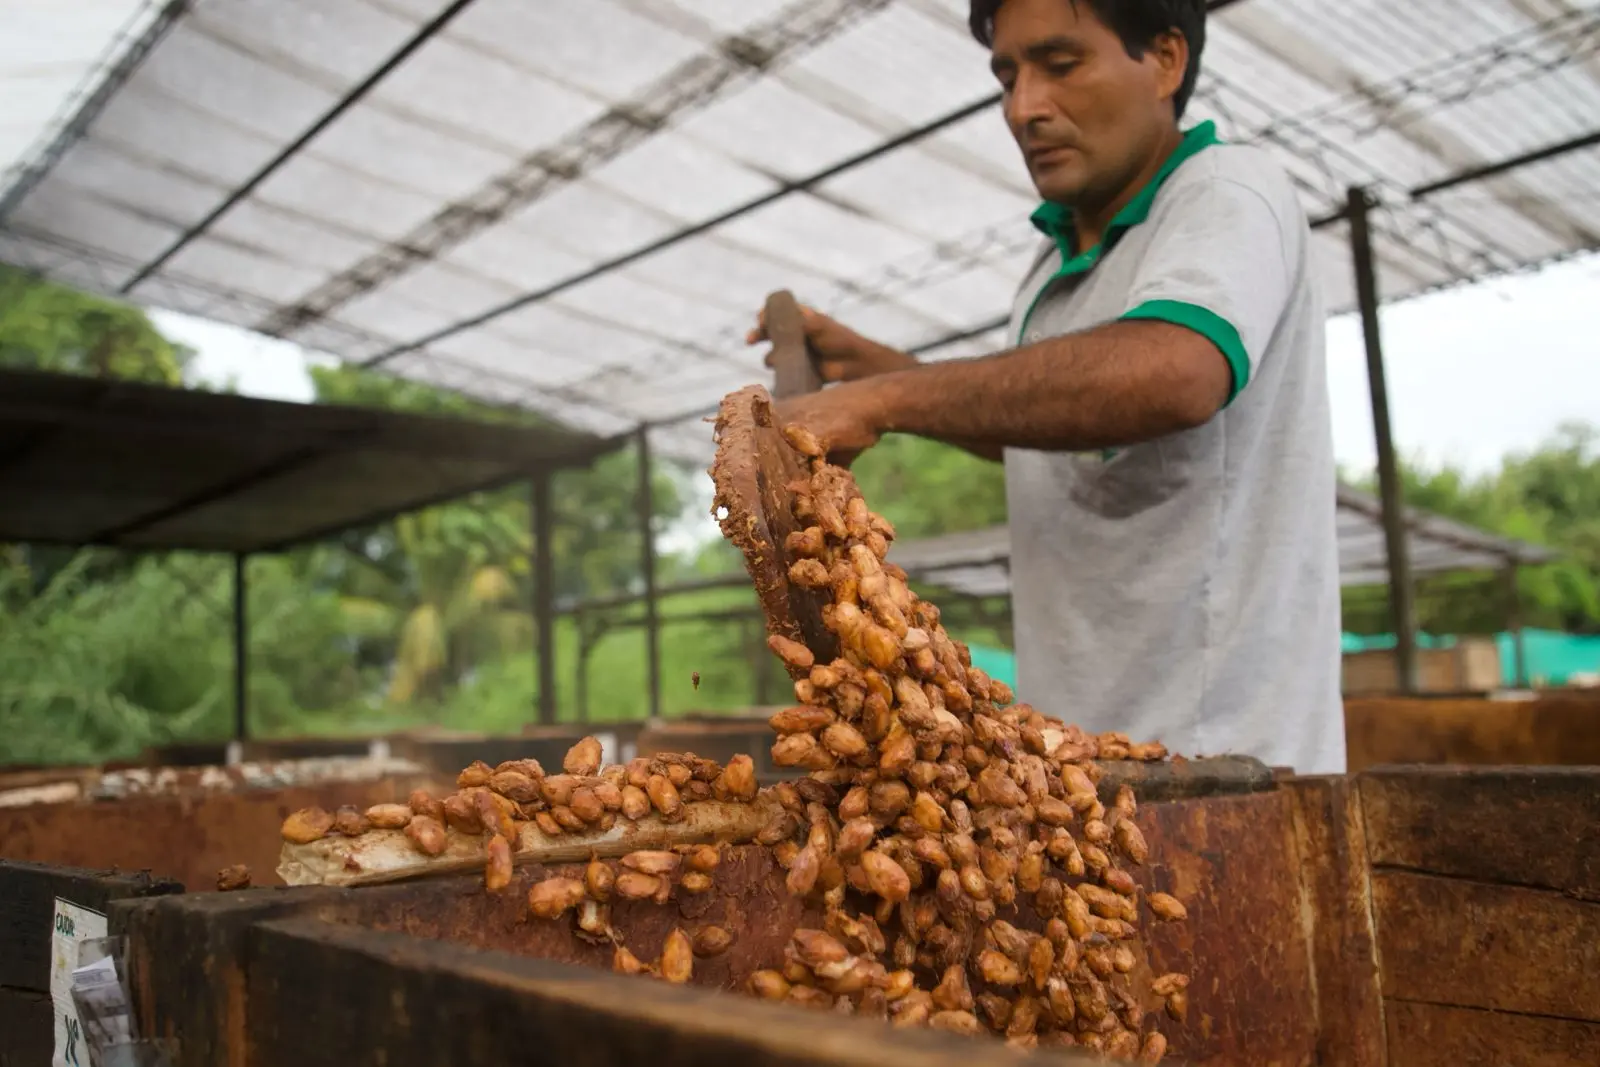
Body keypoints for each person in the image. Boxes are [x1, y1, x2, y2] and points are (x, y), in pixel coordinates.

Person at [748, 0, 1344, 774]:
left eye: (1060, 66)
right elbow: (1050, 435)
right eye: (1007, 76)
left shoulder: (1225, 193)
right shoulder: (1048, 269)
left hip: (1226, 767)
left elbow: (1177, 369)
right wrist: (874, 366)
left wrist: (880, 401)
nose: (1025, 107)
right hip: (1071, 761)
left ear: (1165, 60)